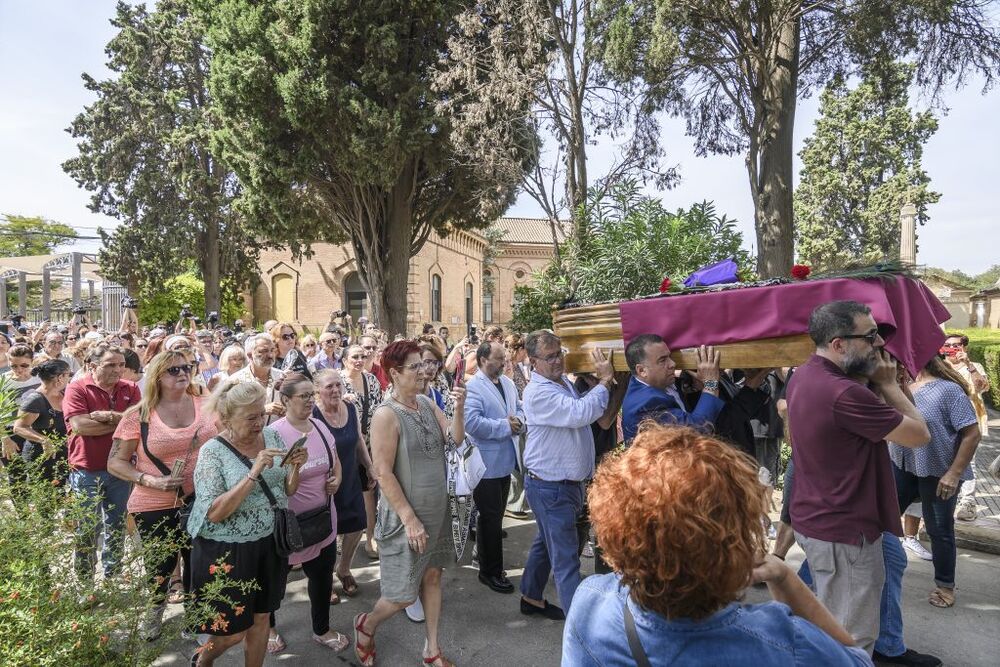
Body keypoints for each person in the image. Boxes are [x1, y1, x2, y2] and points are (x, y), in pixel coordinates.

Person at [563, 424, 872, 666]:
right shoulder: (781, 641)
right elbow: (856, 660)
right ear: (731, 548)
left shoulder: (590, 601)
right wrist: (785, 578)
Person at [786, 301, 930, 655]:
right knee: (851, 638)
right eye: (869, 337)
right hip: (844, 530)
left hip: (823, 517)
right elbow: (920, 435)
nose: (880, 343)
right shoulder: (845, 393)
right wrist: (890, 384)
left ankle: (889, 645)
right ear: (838, 344)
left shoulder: (805, 373)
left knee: (886, 567)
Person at [353, 340, 466, 667]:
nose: (424, 371)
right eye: (415, 366)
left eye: (425, 364)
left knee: (433, 577)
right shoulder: (386, 415)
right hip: (407, 518)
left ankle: (431, 650)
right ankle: (367, 624)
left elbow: (454, 441)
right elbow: (383, 472)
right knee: (402, 594)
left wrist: (458, 409)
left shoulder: (428, 404)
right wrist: (409, 518)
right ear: (394, 373)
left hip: (438, 511)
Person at [185, 380, 308, 667]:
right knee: (231, 631)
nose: (259, 422)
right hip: (227, 550)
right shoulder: (212, 452)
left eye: (261, 414)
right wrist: (252, 474)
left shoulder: (272, 437)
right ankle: (203, 659)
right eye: (250, 417)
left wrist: (295, 468)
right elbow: (214, 513)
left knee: (262, 617)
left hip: (269, 543)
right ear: (226, 418)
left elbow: (287, 491)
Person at [106, 350, 218, 639]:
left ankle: (195, 619)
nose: (182, 373)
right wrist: (150, 481)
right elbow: (115, 462)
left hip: (200, 500)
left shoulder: (207, 404)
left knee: (198, 563)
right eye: (173, 370)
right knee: (160, 566)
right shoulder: (138, 415)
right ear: (157, 376)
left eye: (186, 367)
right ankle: (154, 611)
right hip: (153, 503)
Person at [519, 331, 614, 618]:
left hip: (559, 486)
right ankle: (581, 629)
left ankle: (531, 597)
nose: (558, 360)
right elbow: (580, 413)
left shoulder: (559, 382)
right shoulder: (538, 392)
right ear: (533, 361)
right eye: (550, 357)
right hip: (550, 487)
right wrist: (607, 381)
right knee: (566, 560)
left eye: (559, 353)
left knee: (546, 545)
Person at [267, 373, 349, 654]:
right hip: (287, 525)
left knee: (322, 576)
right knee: (275, 583)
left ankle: (321, 629)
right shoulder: (275, 433)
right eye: (304, 396)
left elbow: (335, 462)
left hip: (323, 518)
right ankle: (269, 627)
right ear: (286, 400)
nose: (310, 401)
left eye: (311, 395)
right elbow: (272, 481)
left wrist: (336, 479)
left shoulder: (320, 427)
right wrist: (295, 469)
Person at [889, 356, 981, 609]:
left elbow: (972, 433)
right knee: (882, 520)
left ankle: (945, 585)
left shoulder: (947, 390)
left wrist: (954, 473)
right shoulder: (898, 388)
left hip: (938, 472)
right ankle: (875, 572)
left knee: (939, 530)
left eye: (896, 359)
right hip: (901, 466)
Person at [63, 345, 141, 581]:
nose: (118, 370)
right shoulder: (77, 388)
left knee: (117, 523)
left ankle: (112, 574)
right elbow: (80, 426)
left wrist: (109, 416)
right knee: (87, 527)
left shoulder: (131, 388)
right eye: (111, 365)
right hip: (86, 468)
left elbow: (139, 421)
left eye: (121, 365)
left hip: (121, 467)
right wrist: (122, 421)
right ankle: (85, 579)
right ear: (93, 366)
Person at [464, 341, 524, 594]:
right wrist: (505, 426)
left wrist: (520, 421)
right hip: (485, 464)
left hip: (506, 461)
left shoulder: (508, 384)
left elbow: (520, 410)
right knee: (490, 519)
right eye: (498, 359)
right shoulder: (473, 387)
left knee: (495, 517)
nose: (503, 364)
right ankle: (491, 572)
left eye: (505, 359)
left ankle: (486, 561)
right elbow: (472, 423)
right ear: (481, 360)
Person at [312, 369, 375, 601]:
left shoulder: (350, 407)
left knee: (357, 523)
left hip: (349, 476)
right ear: (317, 389)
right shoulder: (312, 413)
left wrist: (369, 467)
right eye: (329, 386)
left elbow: (358, 439)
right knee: (324, 533)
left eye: (338, 385)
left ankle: (344, 568)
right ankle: (324, 577)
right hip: (324, 483)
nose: (336, 390)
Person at [621, 334, 724, 442]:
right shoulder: (646, 404)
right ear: (642, 370)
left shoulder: (656, 381)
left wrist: (694, 387)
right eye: (662, 360)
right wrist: (711, 384)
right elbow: (698, 431)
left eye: (670, 357)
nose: (673, 364)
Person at [341, 342, 384, 558]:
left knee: (370, 490)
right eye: (354, 357)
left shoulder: (372, 380)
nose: (359, 360)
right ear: (344, 360)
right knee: (343, 491)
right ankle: (341, 537)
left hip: (368, 444)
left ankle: (371, 538)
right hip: (345, 445)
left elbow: (379, 409)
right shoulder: (337, 382)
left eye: (362, 356)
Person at [941, 333, 989, 521]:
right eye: (947, 345)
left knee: (970, 462)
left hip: (969, 423)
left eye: (956, 345)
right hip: (944, 422)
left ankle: (968, 503)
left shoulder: (974, 367)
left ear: (964, 347)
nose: (952, 349)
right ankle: (946, 499)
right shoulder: (939, 366)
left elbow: (981, 387)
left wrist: (969, 365)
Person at [11, 358, 71, 484]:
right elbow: (19, 427)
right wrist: (44, 440)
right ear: (60, 377)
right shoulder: (35, 399)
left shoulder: (65, 393)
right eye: (68, 375)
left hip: (63, 454)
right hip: (41, 456)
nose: (69, 378)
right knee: (48, 497)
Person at [503, 333, 532, 519]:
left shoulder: (516, 366)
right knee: (518, 464)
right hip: (513, 420)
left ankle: (518, 502)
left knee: (522, 462)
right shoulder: (508, 366)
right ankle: (514, 504)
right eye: (524, 351)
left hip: (521, 418)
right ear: (519, 350)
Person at [229, 334, 286, 425]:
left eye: (272, 350)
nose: (270, 355)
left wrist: (287, 410)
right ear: (250, 355)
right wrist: (262, 410)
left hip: (278, 434)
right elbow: (230, 412)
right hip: (248, 435)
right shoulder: (236, 380)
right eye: (263, 351)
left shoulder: (282, 376)